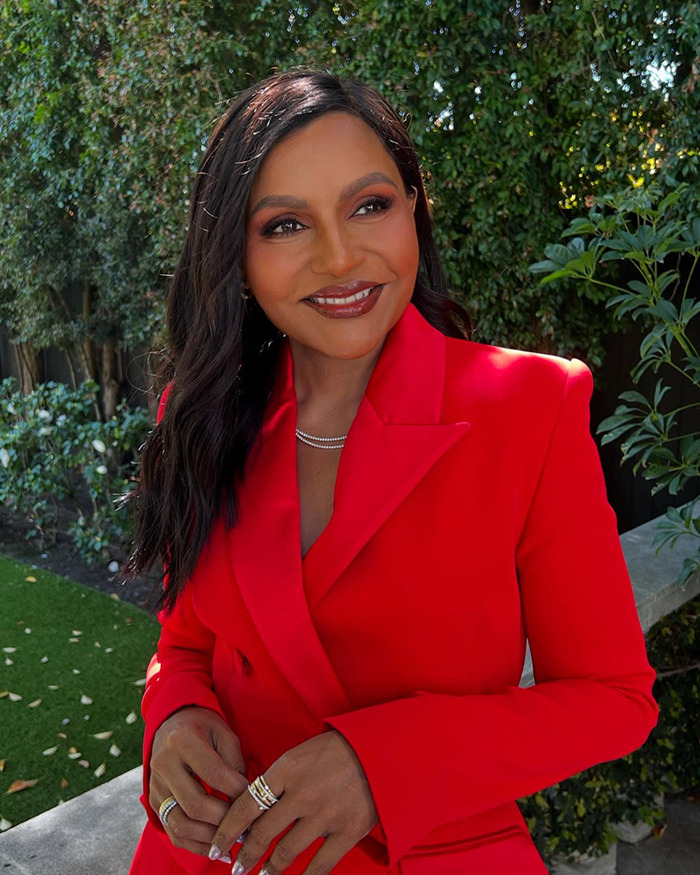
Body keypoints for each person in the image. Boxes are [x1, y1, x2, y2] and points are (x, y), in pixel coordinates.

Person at [123, 69, 659, 875]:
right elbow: (188, 638)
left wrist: (386, 765)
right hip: (215, 853)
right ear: (235, 254)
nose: (340, 257)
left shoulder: (530, 407)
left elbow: (612, 699)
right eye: (285, 224)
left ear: (414, 208)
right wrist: (173, 714)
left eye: (369, 205)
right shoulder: (201, 413)